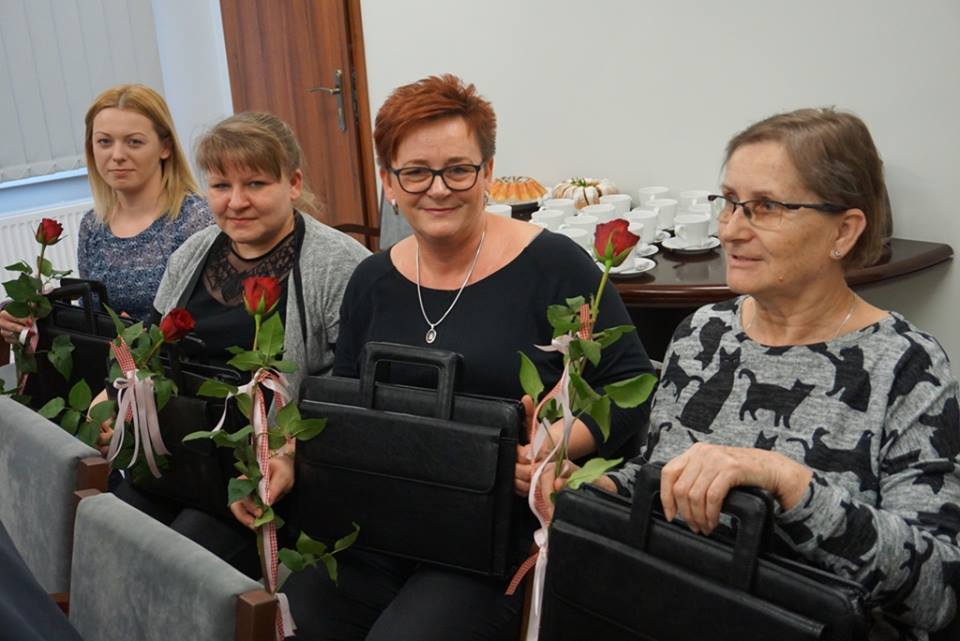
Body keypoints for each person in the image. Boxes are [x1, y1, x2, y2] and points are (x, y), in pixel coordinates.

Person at [236, 74, 653, 640]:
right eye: (415, 172)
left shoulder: (554, 265)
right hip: (383, 525)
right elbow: (352, 407)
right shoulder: (373, 280)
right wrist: (289, 457)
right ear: (389, 181)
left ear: (487, 173)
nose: (438, 188)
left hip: (498, 537)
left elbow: (632, 386)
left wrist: (550, 445)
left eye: (458, 169)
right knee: (294, 617)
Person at [544, 108, 960, 641]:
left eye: (764, 207)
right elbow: (663, 476)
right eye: (729, 202)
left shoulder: (905, 365)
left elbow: (935, 592)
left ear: (845, 230)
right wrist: (588, 487)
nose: (731, 230)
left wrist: (788, 483)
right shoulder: (703, 333)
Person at [108, 111, 369, 576]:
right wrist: (112, 404)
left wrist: (286, 453)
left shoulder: (340, 266)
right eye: (221, 186)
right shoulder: (193, 252)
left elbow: (351, 396)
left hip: (272, 474)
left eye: (256, 184)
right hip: (183, 461)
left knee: (175, 564)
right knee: (111, 537)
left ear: (293, 183)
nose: (236, 202)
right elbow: (148, 346)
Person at [0, 84, 211, 346]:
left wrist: (139, 335)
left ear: (165, 147)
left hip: (175, 373)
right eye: (104, 142)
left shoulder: (197, 219)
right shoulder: (93, 226)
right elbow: (89, 313)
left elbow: (208, 325)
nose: (117, 155)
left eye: (134, 142)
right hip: (110, 368)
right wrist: (27, 315)